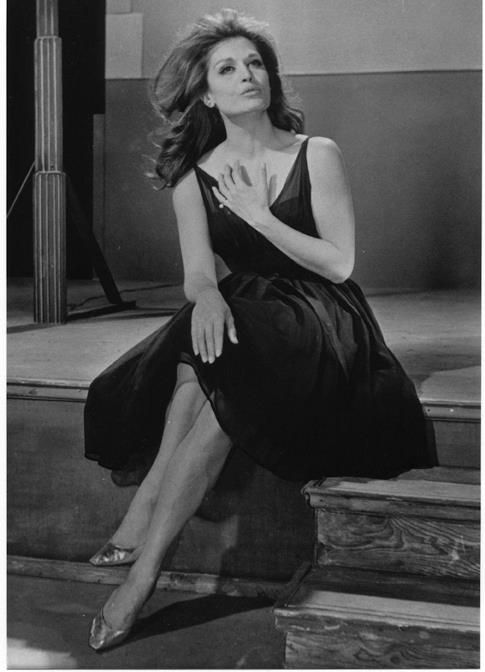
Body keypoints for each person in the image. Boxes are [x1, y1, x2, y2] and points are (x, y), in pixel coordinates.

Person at [85, 8, 435, 651]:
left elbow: (340, 263)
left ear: (269, 78)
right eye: (227, 69)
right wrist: (206, 298)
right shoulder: (195, 175)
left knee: (210, 375)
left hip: (323, 317)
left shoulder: (316, 153)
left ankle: (142, 568)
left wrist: (259, 216)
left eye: (254, 64)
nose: (247, 75)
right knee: (209, 337)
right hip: (246, 311)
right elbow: (198, 274)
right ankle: (149, 524)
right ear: (205, 93)